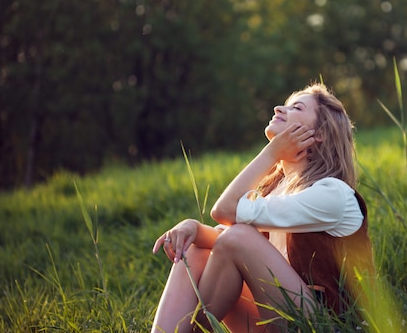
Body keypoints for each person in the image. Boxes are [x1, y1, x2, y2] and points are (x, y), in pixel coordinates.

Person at [151, 83, 375, 333]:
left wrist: (271, 153)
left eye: (296, 108)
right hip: (279, 316)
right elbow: (229, 241)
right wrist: (191, 227)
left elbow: (224, 213)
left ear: (319, 133)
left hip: (326, 325)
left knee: (239, 235)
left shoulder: (332, 193)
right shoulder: (277, 190)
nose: (279, 109)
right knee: (193, 248)